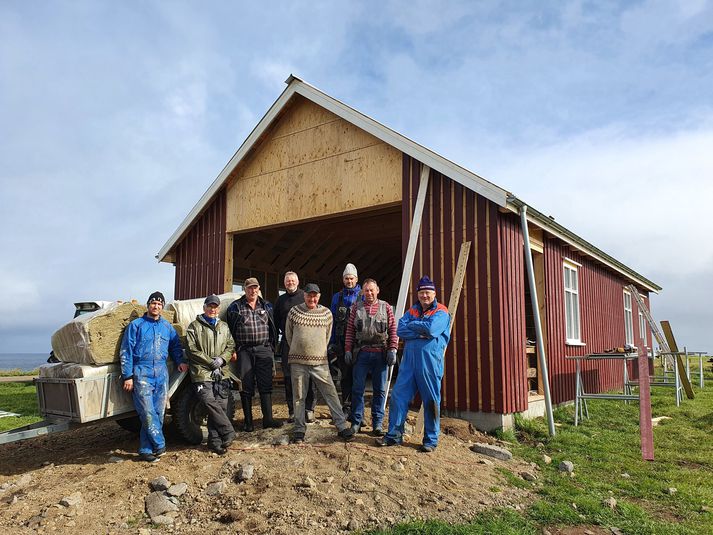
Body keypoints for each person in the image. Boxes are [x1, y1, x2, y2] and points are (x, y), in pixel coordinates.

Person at [376, 276, 450, 453]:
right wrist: (421, 330)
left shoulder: (441, 311)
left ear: (434, 293)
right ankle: (394, 435)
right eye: (422, 292)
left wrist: (414, 327)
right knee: (398, 398)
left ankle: (430, 440)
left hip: (430, 364)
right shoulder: (413, 310)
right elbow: (400, 329)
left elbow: (432, 330)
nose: (425, 296)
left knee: (431, 400)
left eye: (428, 292)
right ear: (417, 294)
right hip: (409, 364)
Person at [120, 291, 188, 462]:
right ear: (148, 305)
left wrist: (180, 360)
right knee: (147, 412)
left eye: (159, 304)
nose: (156, 306)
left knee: (158, 413)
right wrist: (127, 375)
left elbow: (175, 346)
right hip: (142, 372)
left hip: (161, 372)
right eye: (153, 303)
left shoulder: (167, 327)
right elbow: (126, 350)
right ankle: (160, 445)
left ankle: (145, 449)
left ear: (162, 307)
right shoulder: (136, 325)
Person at [285, 283, 355, 444]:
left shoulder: (326, 314)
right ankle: (299, 430)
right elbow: (289, 335)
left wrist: (318, 351)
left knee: (330, 393)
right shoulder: (294, 312)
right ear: (304, 295)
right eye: (309, 295)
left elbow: (327, 335)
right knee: (299, 397)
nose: (312, 298)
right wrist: (299, 348)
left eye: (315, 295)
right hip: (298, 362)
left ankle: (342, 426)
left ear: (319, 296)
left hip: (320, 362)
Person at [227, 278, 283, 431]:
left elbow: (274, 326)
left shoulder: (267, 306)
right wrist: (232, 349)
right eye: (249, 288)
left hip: (263, 349)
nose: (253, 291)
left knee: (266, 384)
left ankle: (268, 420)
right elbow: (229, 331)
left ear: (258, 289)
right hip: (244, 350)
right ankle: (248, 422)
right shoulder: (235, 307)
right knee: (246, 385)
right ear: (244, 289)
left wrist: (272, 346)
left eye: (255, 288)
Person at [343, 278, 398, 436]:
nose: (369, 293)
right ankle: (356, 422)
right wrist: (347, 349)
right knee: (357, 389)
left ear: (377, 290)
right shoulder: (356, 308)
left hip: (381, 353)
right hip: (361, 353)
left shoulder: (386, 307)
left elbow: (393, 329)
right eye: (366, 290)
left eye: (372, 290)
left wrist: (393, 349)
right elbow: (350, 332)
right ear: (362, 292)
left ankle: (378, 424)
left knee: (379, 390)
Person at [185, 294, 237, 455]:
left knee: (220, 406)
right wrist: (210, 362)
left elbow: (231, 345)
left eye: (215, 307)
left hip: (221, 372)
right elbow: (191, 349)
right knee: (209, 402)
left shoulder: (224, 327)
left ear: (218, 309)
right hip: (202, 372)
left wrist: (222, 360)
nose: (212, 309)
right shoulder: (194, 326)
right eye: (210, 306)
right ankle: (228, 431)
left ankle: (215, 442)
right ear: (204, 308)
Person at [273, 271, 317, 423]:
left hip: (307, 343)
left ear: (297, 282)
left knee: (309, 376)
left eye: (292, 280)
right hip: (287, 343)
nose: (290, 283)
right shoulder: (280, 300)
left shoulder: (305, 297)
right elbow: (276, 321)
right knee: (288, 377)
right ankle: (293, 410)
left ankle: (309, 409)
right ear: (284, 283)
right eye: (287, 281)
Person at [328, 263, 362, 415]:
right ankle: (346, 406)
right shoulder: (337, 297)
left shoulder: (363, 295)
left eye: (351, 278)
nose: (349, 281)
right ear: (343, 280)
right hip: (342, 343)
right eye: (346, 279)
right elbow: (333, 321)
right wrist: (332, 342)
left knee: (358, 376)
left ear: (356, 279)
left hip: (359, 343)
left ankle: (358, 409)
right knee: (345, 376)